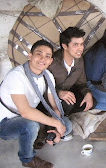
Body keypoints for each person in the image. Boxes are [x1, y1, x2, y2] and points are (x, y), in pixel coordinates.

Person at [0, 40, 72, 168]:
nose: (42, 59)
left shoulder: (47, 76)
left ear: (50, 61)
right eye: (39, 54)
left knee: (67, 125)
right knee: (30, 125)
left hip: (27, 117)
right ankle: (27, 159)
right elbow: (25, 112)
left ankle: (41, 137)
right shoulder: (16, 76)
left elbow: (54, 105)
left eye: (47, 56)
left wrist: (57, 128)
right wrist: (55, 123)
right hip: (6, 123)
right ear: (30, 55)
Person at [48, 27, 97, 116]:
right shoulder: (51, 62)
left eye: (81, 44)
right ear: (65, 46)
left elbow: (81, 84)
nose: (80, 49)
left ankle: (66, 115)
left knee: (91, 102)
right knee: (68, 104)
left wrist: (87, 93)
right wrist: (58, 93)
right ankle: (54, 117)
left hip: (69, 93)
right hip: (50, 98)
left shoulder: (79, 60)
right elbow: (41, 88)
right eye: (75, 45)